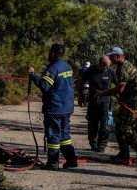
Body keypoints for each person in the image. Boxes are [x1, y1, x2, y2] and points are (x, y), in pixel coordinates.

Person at [28, 42, 78, 170]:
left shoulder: (53, 68)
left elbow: (45, 86)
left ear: (54, 53)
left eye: (50, 52)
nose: (48, 54)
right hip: (67, 107)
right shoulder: (68, 67)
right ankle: (71, 160)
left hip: (55, 107)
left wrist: (34, 75)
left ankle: (52, 163)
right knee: (65, 135)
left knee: (53, 134)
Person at [99, 46, 137, 162]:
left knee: (126, 128)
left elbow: (119, 89)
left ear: (117, 56)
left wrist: (105, 93)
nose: (110, 59)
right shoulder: (121, 67)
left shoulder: (124, 68)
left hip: (134, 103)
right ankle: (124, 154)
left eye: (111, 57)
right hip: (127, 102)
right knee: (119, 127)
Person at [83, 55, 115, 152]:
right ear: (99, 63)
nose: (107, 68)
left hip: (106, 102)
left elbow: (119, 85)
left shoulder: (110, 72)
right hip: (93, 101)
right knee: (93, 124)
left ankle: (102, 145)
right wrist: (80, 98)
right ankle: (93, 143)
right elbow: (81, 83)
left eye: (109, 65)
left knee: (105, 125)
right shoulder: (90, 71)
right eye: (105, 65)